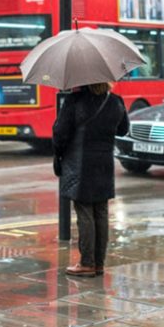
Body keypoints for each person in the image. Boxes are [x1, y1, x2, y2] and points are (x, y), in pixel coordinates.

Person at [53, 83, 129, 277]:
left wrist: (58, 154)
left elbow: (60, 133)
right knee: (101, 211)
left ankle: (87, 263)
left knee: (85, 211)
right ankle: (99, 263)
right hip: (104, 163)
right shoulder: (115, 101)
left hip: (80, 163)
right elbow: (123, 130)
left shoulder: (75, 101)